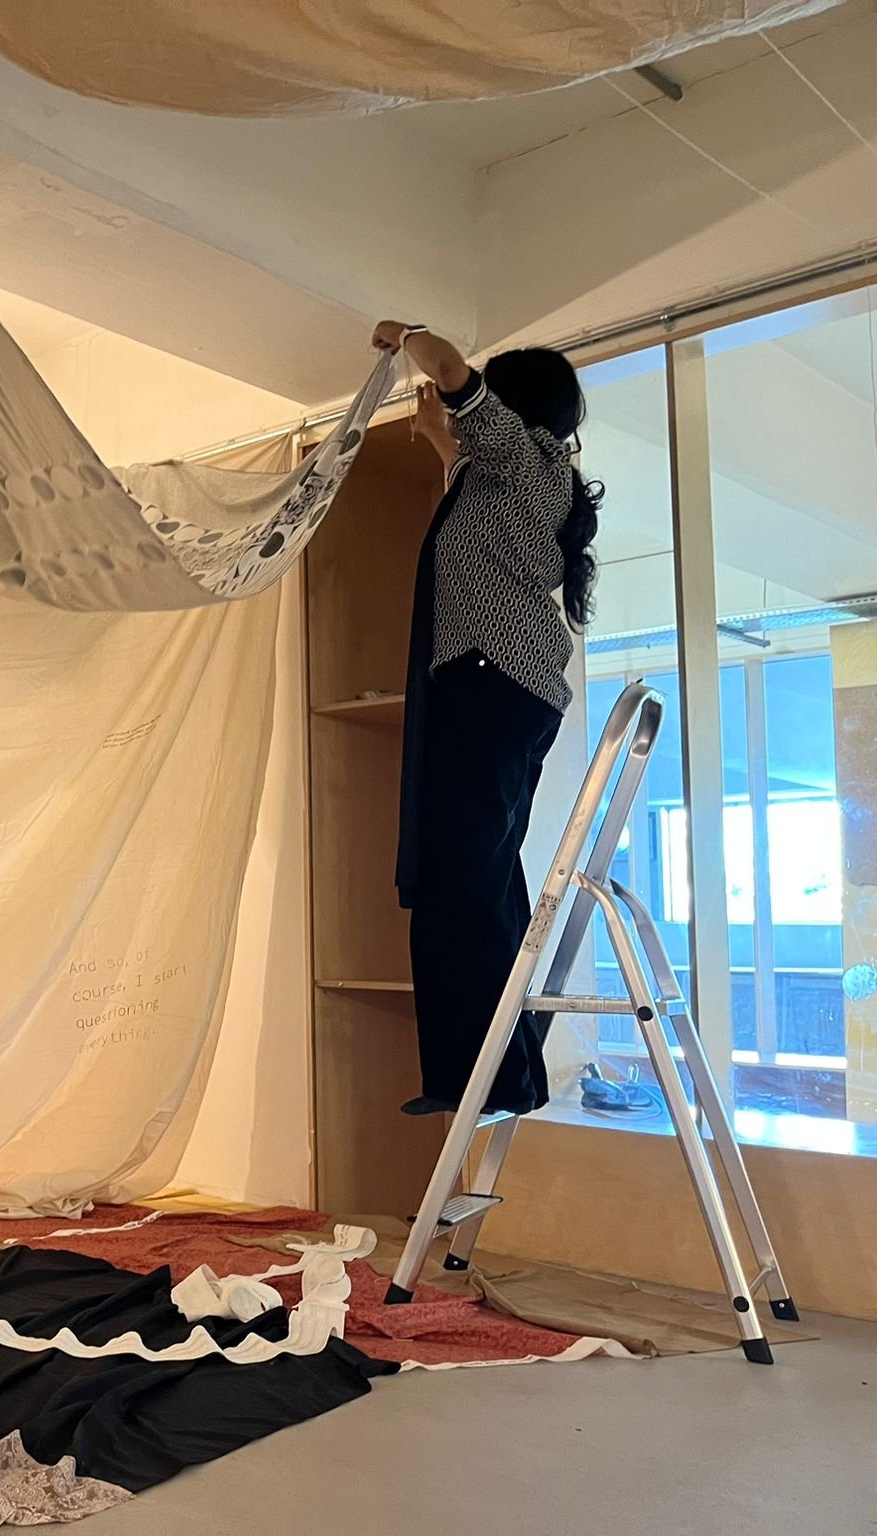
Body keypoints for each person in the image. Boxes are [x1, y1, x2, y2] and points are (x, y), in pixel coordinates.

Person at [374, 320, 601, 1117]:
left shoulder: (529, 459)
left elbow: (448, 365)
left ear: (515, 408)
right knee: (478, 879)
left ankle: (489, 1079)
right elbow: (457, 456)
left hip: (490, 683)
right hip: (493, 687)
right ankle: (495, 1077)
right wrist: (434, 432)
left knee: (463, 880)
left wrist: (405, 335)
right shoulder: (499, 479)